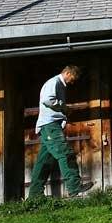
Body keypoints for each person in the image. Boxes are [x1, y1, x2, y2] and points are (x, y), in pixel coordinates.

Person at [28, 65, 86, 198]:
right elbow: (48, 100)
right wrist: (63, 107)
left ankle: (34, 195)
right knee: (65, 153)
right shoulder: (54, 82)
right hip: (50, 125)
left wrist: (64, 110)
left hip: (50, 125)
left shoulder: (59, 84)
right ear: (67, 73)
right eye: (73, 78)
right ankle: (74, 187)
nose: (73, 82)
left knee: (44, 162)